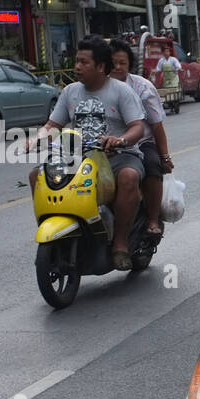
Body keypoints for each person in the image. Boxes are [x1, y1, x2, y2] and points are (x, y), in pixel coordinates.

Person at [27, 36, 146, 270]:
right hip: (78, 157)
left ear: (101, 67)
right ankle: (60, 232)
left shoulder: (121, 91)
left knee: (129, 177)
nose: (77, 67)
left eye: (84, 62)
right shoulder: (70, 91)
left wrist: (120, 140)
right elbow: (53, 125)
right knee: (36, 176)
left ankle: (120, 243)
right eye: (77, 61)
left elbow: (138, 127)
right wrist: (36, 139)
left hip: (119, 156)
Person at [109, 38, 173, 241]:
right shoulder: (94, 87)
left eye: (122, 63)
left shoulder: (142, 88)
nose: (117, 68)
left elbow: (156, 125)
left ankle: (152, 219)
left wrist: (164, 156)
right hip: (104, 145)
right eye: (113, 63)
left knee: (151, 165)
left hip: (139, 143)